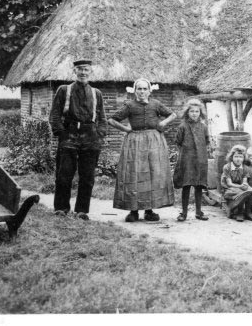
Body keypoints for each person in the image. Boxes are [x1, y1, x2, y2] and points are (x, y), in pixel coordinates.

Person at [108, 78, 176, 222]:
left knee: (152, 174)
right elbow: (112, 120)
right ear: (135, 90)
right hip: (135, 143)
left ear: (149, 91)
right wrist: (127, 129)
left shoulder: (156, 104)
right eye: (139, 89)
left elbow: (173, 115)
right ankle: (133, 211)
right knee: (135, 174)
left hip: (154, 142)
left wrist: (162, 123)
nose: (142, 92)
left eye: (145, 89)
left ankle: (149, 211)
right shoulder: (130, 105)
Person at [49, 59, 108, 220]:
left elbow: (102, 117)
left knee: (87, 176)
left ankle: (82, 210)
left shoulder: (97, 93)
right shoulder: (64, 90)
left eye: (86, 69)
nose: (83, 72)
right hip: (69, 134)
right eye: (80, 69)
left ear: (91, 72)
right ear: (74, 71)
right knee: (64, 174)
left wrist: (100, 134)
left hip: (90, 136)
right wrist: (61, 132)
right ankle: (61, 208)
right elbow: (54, 114)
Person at [173, 98, 210, 222]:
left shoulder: (204, 127)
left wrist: (202, 155)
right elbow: (178, 142)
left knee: (199, 185)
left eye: (197, 111)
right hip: (187, 160)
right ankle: (183, 213)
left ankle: (199, 212)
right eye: (192, 111)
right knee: (186, 185)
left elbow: (207, 141)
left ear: (201, 113)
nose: (194, 114)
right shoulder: (183, 126)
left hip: (200, 160)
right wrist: (186, 153)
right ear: (187, 113)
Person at [221, 145, 252, 222]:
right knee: (242, 193)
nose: (238, 159)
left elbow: (244, 181)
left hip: (240, 187)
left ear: (244, 158)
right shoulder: (227, 167)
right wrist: (241, 187)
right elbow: (229, 183)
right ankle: (239, 213)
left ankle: (248, 212)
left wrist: (245, 185)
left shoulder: (245, 168)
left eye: (241, 157)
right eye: (236, 156)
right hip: (229, 188)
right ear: (232, 157)